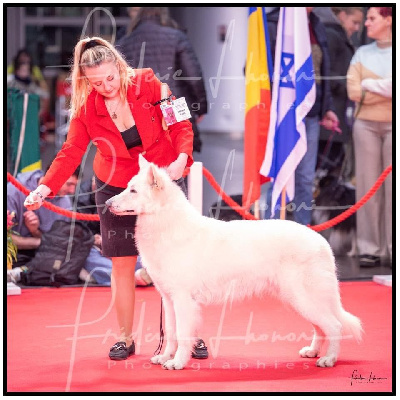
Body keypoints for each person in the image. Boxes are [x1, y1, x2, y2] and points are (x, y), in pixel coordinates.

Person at [23, 36, 207, 361]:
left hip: (157, 183)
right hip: (114, 185)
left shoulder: (151, 84)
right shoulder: (85, 108)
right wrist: (45, 188)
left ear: (121, 67)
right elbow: (70, 153)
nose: (106, 86)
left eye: (111, 77)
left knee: (178, 261)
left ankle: (185, 335)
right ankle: (125, 337)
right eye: (96, 82)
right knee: (122, 264)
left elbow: (181, 123)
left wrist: (182, 158)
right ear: (86, 81)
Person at [265, 7, 341, 224]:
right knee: (281, 172)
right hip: (282, 113)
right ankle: (272, 229)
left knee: (306, 177)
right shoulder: (272, 23)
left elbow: (322, 70)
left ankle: (303, 229)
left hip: (312, 111)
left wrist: (327, 107)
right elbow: (255, 68)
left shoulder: (316, 24)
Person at [117, 7, 208, 153]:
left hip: (141, 108)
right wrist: (201, 107)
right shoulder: (177, 36)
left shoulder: (125, 41)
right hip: (174, 103)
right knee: (180, 151)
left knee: (146, 158)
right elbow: (193, 76)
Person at [347, 7, 392, 267]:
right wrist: (385, 87)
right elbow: (354, 91)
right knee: (367, 186)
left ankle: (391, 247)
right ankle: (369, 248)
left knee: (392, 188)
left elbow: (363, 87)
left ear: (389, 20)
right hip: (365, 126)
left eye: (372, 18)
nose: (366, 23)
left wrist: (368, 84)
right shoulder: (362, 53)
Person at [76, 175, 153, 287]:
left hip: (114, 240)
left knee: (135, 256)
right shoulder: (80, 197)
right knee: (92, 259)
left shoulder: (118, 193)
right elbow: (78, 229)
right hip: (91, 245)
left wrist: (113, 238)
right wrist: (93, 238)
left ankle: (143, 273)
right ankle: (131, 278)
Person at [7, 168, 79, 279]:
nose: (72, 191)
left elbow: (58, 241)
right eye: (69, 184)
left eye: (74, 185)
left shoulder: (64, 201)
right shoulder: (13, 192)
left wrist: (35, 231)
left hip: (43, 255)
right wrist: (41, 241)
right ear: (53, 177)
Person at [320, 7, 364, 181]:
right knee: (323, 172)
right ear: (342, 15)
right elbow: (325, 74)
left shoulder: (337, 37)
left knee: (332, 173)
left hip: (336, 120)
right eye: (355, 22)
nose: (357, 28)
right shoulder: (331, 36)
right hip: (329, 121)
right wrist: (351, 87)